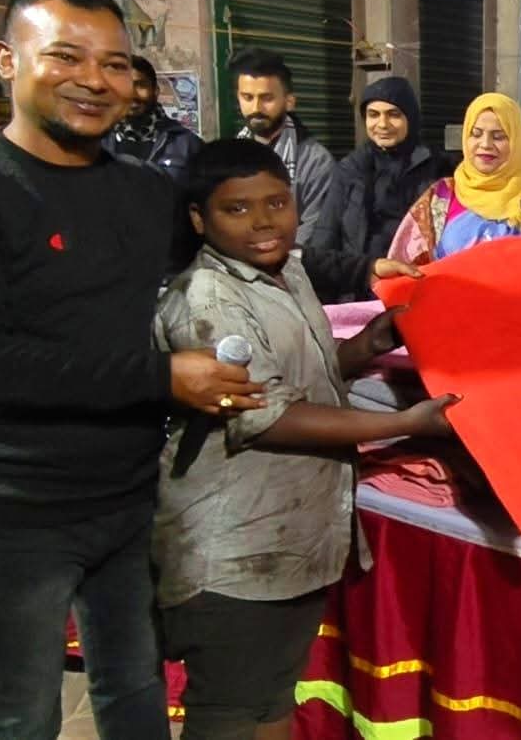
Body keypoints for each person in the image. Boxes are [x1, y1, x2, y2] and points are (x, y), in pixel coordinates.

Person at [0, 0, 263, 739]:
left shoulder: (141, 191)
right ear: (7, 60)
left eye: (114, 63)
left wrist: (370, 272)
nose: (94, 80)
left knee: (135, 696)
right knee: (14, 717)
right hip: (10, 514)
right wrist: (163, 377)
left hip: (126, 498)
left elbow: (229, 242)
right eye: (66, 56)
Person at [155, 139, 459, 739]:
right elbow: (269, 415)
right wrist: (406, 423)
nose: (263, 222)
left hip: (289, 539)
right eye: (236, 209)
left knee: (271, 698)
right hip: (235, 548)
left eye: (277, 203)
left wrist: (369, 344)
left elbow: (304, 378)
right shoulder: (208, 298)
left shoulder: (287, 271)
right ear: (199, 219)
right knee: (230, 711)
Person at [387, 92, 521, 263]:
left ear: (517, 142)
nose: (485, 144)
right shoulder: (442, 197)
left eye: (499, 137)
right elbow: (408, 264)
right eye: (476, 134)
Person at [314, 75, 444, 261]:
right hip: (360, 275)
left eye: (394, 114)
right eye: (373, 115)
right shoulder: (351, 169)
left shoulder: (436, 167)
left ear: (410, 117)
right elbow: (325, 237)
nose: (382, 124)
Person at [230, 47, 336, 244]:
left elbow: (316, 229)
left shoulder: (315, 161)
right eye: (248, 97)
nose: (256, 108)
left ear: (289, 102)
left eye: (267, 98)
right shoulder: (227, 157)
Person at [102, 54, 204, 184]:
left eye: (140, 85)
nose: (132, 94)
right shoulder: (97, 142)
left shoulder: (186, 144)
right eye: (123, 86)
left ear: (155, 91)